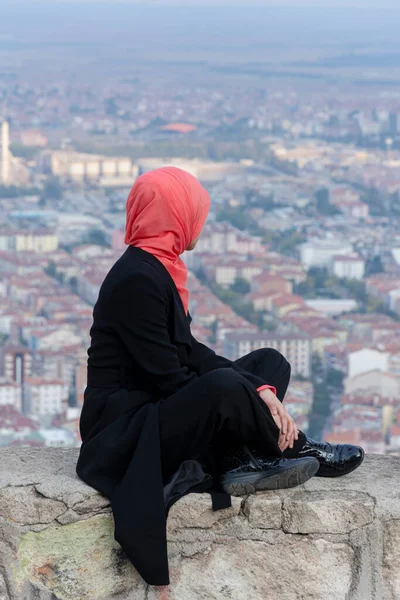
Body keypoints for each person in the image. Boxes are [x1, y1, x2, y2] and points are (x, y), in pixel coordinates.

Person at [75, 167, 364, 587]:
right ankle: (298, 449)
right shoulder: (136, 279)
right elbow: (170, 378)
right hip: (125, 430)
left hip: (155, 407)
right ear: (174, 216)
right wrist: (242, 391)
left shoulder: (157, 267)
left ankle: (237, 459)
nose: (201, 223)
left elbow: (190, 352)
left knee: (270, 363)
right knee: (225, 386)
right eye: (194, 212)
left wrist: (260, 387)